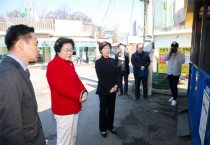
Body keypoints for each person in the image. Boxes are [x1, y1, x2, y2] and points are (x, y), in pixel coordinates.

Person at [0, 24, 46, 145]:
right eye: (35, 44)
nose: (38, 49)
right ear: (21, 45)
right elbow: (11, 132)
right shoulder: (9, 75)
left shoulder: (15, 69)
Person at [46, 37, 88, 145]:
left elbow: (76, 79)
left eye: (71, 49)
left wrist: (84, 91)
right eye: (66, 50)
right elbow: (61, 88)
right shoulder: (53, 65)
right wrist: (79, 95)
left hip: (74, 105)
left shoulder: (69, 63)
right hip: (63, 109)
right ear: (58, 50)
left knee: (72, 137)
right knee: (64, 141)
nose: (69, 52)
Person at [95, 41, 119, 138]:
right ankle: (103, 128)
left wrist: (116, 85)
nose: (107, 50)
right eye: (105, 48)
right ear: (101, 50)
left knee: (111, 109)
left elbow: (117, 74)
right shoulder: (98, 62)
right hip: (104, 90)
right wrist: (110, 88)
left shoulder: (113, 61)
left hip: (114, 89)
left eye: (108, 48)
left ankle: (110, 126)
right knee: (103, 110)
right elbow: (100, 77)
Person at [163, 41, 185, 106]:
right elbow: (164, 59)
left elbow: (182, 62)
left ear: (177, 47)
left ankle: (174, 100)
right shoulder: (170, 53)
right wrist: (169, 53)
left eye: (175, 47)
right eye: (172, 47)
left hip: (176, 73)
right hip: (169, 72)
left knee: (174, 86)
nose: (174, 48)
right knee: (171, 86)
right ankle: (173, 97)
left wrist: (177, 55)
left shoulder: (181, 54)